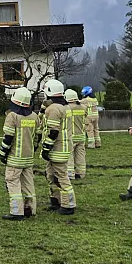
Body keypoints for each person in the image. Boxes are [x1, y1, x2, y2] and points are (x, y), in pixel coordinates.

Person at [0, 87, 39, 220]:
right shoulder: (34, 116)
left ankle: (17, 212)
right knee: (28, 183)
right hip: (28, 158)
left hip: (15, 158)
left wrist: (3, 153)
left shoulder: (12, 116)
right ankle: (30, 209)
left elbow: (8, 137)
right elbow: (38, 136)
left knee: (12, 182)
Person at [40, 80, 74, 215]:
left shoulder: (54, 109)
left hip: (56, 149)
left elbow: (53, 131)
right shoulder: (65, 107)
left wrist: (46, 149)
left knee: (61, 177)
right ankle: (56, 201)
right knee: (51, 176)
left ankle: (68, 205)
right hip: (63, 147)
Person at [65, 89, 88, 180]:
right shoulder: (83, 107)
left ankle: (70, 174)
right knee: (80, 155)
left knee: (69, 156)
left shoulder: (67, 108)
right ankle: (81, 173)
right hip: (81, 135)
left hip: (71, 136)